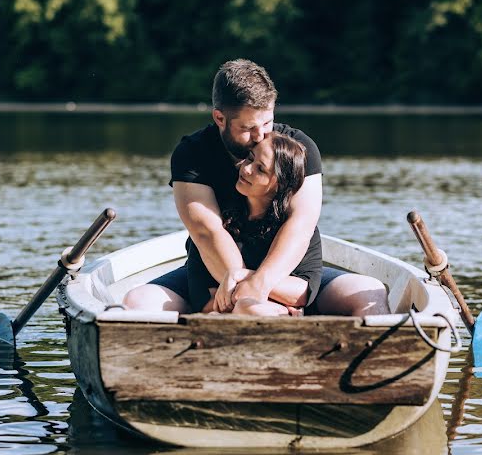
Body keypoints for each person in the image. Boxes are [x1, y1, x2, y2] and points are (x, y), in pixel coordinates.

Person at [124, 58, 388, 316]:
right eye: (249, 128)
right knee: (138, 302)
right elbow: (207, 232)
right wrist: (238, 285)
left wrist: (258, 284)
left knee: (369, 292)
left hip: (286, 275)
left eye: (267, 122)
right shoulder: (192, 154)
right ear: (219, 118)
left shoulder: (298, 149)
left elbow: (300, 225)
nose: (261, 135)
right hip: (214, 270)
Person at [187, 132, 321, 316]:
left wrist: (239, 276)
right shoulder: (217, 222)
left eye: (260, 169)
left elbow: (303, 292)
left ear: (279, 184)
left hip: (272, 319)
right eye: (250, 158)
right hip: (253, 316)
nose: (247, 169)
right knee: (245, 308)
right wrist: (262, 297)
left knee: (248, 308)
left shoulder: (292, 229)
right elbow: (202, 299)